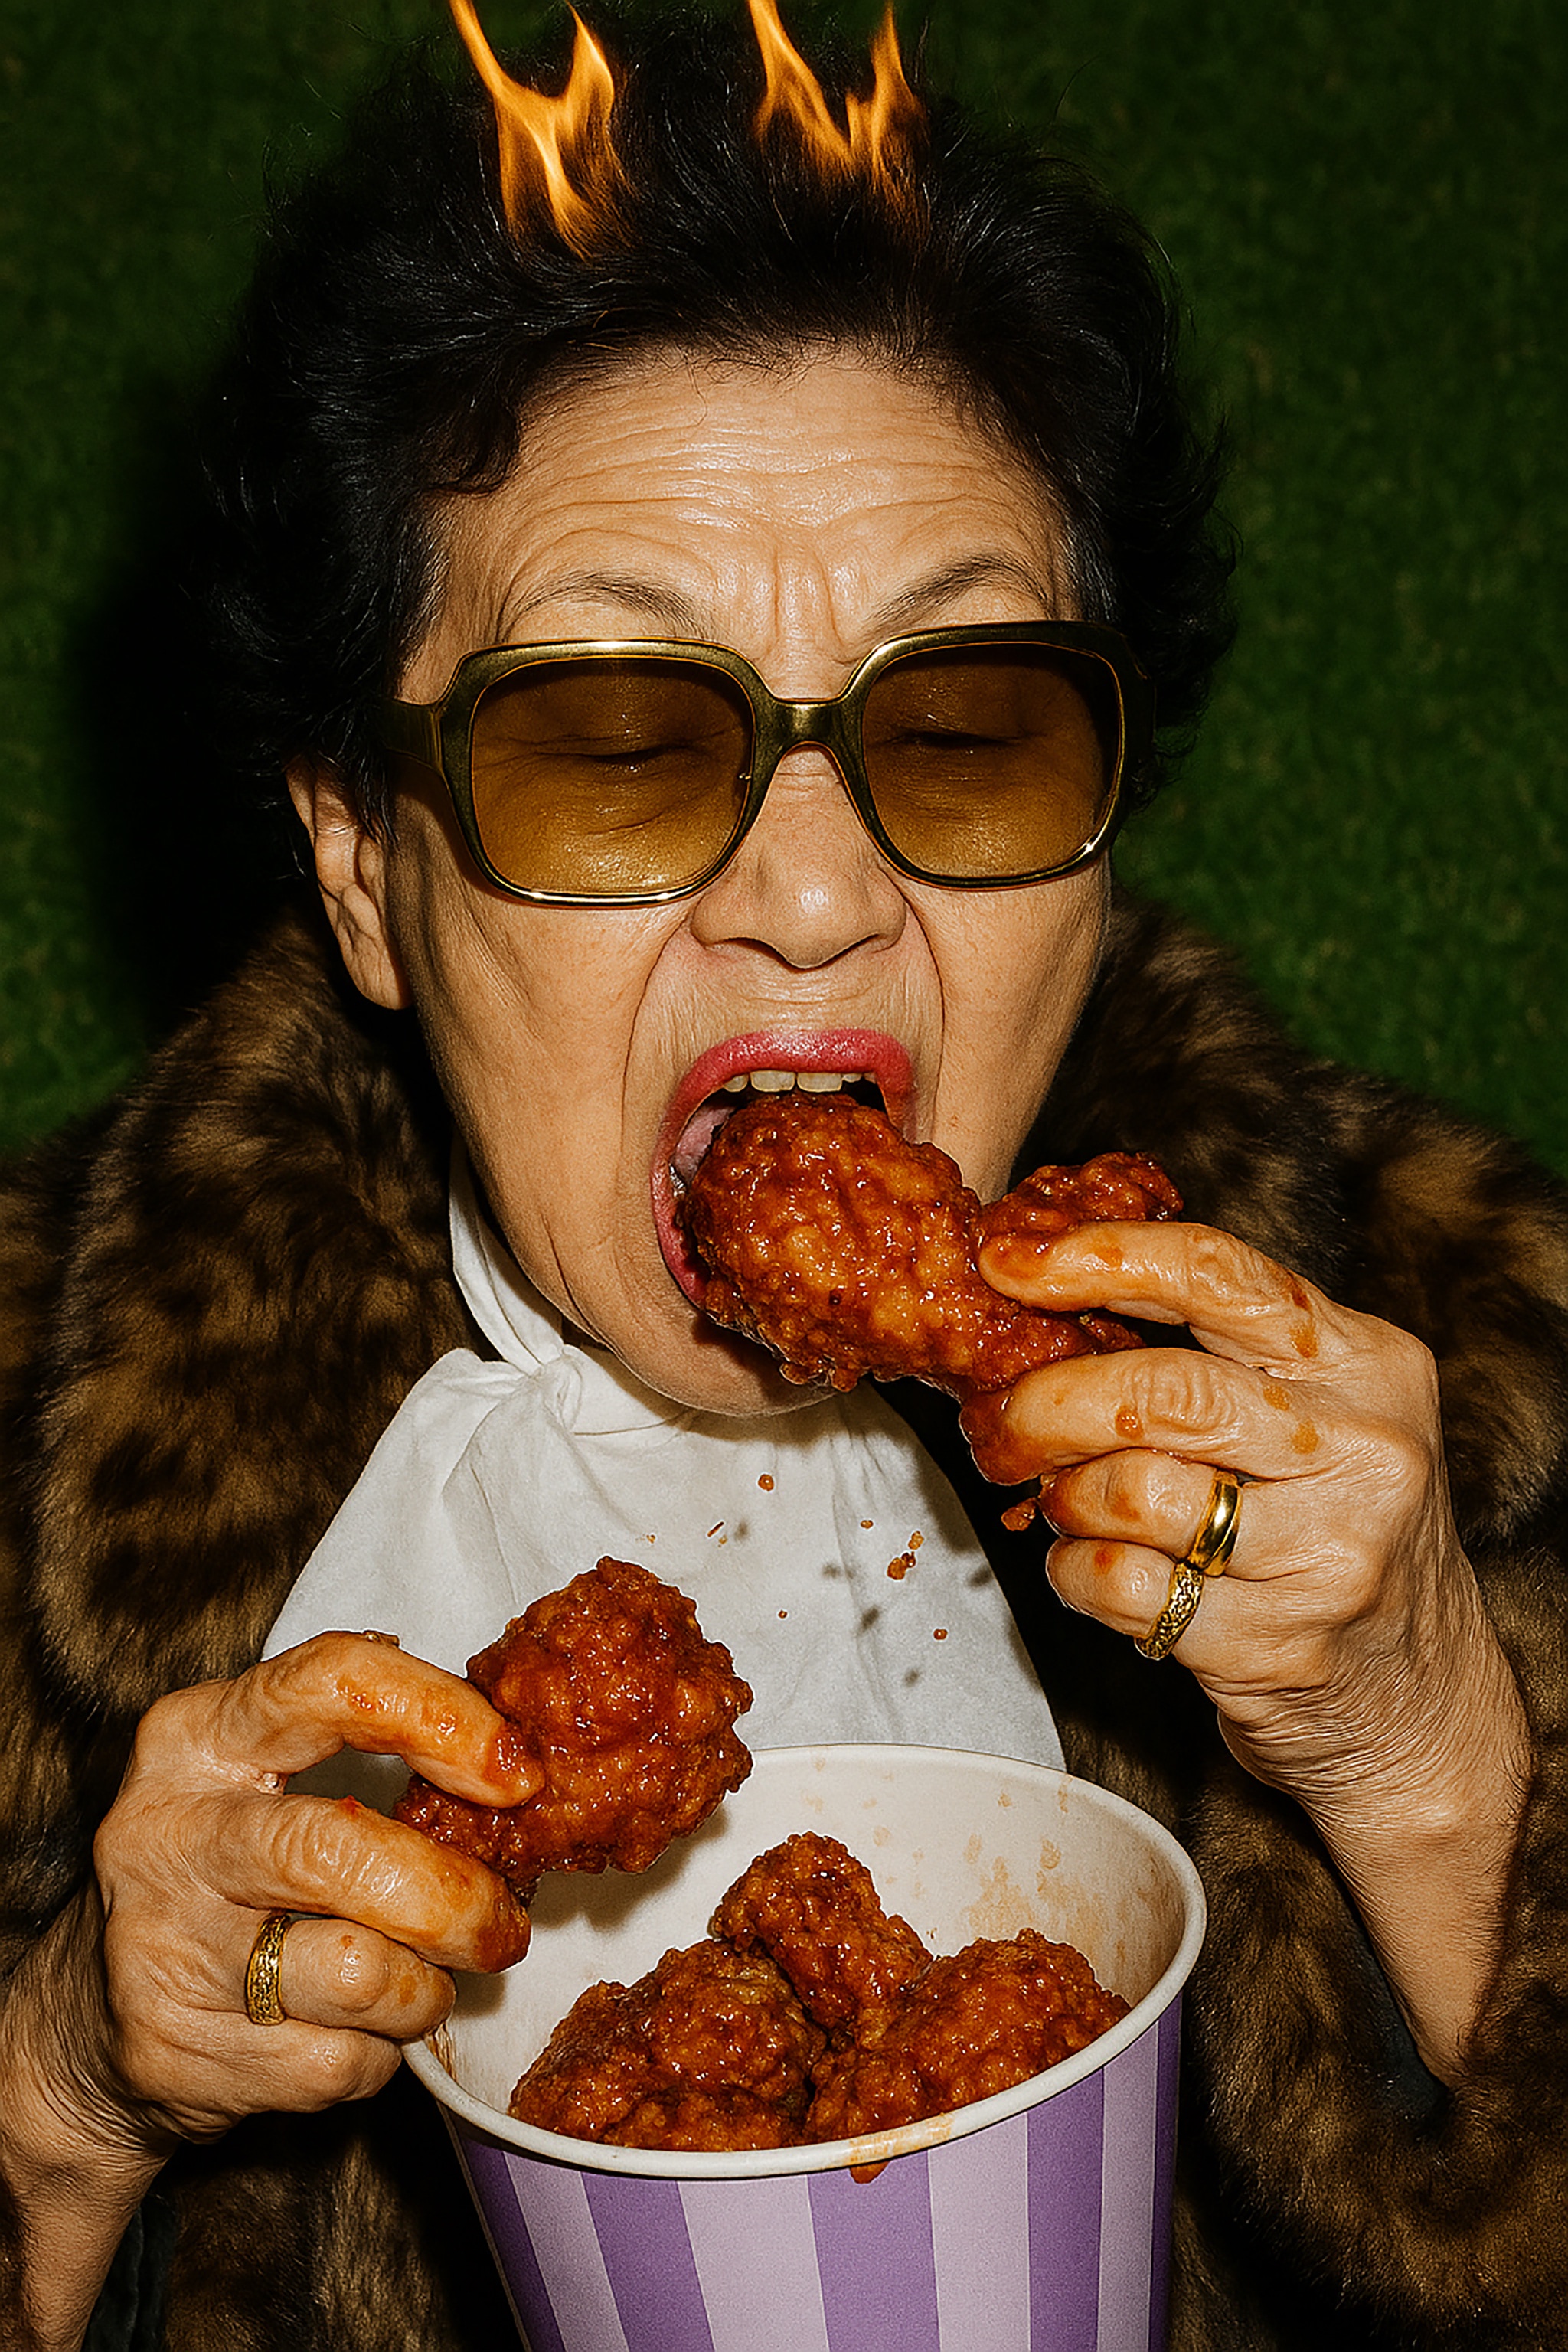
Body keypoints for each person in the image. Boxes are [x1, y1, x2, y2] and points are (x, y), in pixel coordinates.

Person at [1, 5, 1565, 2347]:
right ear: (358, 866)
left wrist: (1433, 1752)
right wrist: (66, 2088)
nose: (819, 897)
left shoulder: (1464, 1346)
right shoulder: (29, 1411)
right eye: (616, 745)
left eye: (966, 723)